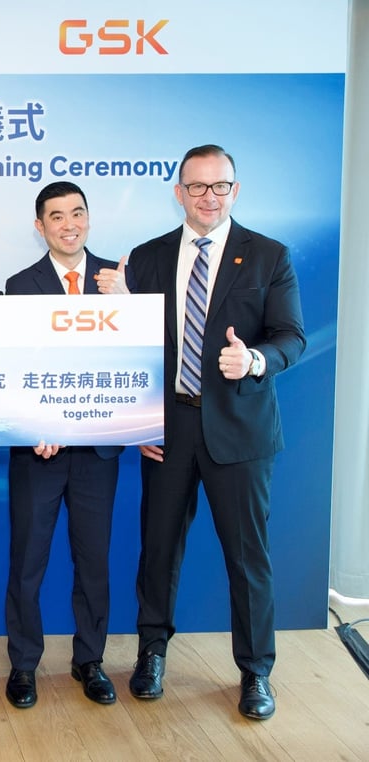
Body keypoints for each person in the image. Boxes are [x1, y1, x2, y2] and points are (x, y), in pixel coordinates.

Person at [122, 144, 305, 720]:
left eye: (219, 186)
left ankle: (255, 672)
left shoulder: (269, 256)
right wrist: (137, 420)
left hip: (240, 432)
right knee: (158, 550)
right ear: (178, 192)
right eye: (196, 187)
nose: (208, 197)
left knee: (248, 558)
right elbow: (131, 349)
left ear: (235, 190)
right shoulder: (146, 258)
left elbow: (291, 337)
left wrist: (252, 360)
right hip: (167, 428)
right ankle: (151, 653)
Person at [3, 181, 125, 709]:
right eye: (56, 216)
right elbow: (14, 367)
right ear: (40, 226)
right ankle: (24, 665)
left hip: (97, 451)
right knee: (27, 561)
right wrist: (36, 424)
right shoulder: (19, 285)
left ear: (88, 220)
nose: (68, 224)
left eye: (77, 213)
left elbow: (137, 361)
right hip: (41, 450)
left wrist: (132, 305)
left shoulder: (118, 280)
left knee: (93, 560)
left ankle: (89, 660)